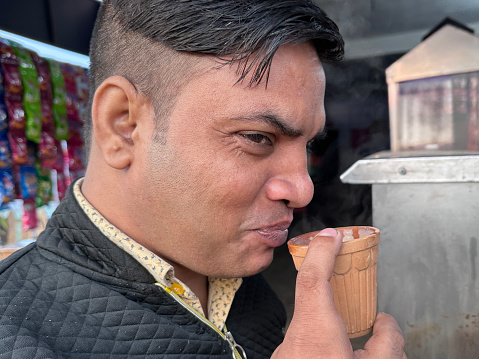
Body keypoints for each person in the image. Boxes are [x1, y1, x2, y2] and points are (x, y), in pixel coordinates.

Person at [0, 0, 406, 358]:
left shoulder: (245, 288)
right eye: (257, 137)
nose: (302, 190)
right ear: (122, 125)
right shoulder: (16, 335)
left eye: (307, 144)